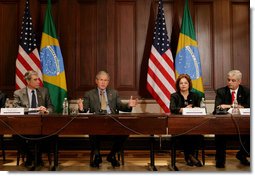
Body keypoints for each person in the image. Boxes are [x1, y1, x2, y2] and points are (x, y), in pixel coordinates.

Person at [78, 70, 137, 168]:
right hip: (96, 124)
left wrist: (129, 105)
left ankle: (112, 155)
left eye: (105, 80)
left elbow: (121, 106)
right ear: (96, 81)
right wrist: (81, 108)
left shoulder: (114, 93)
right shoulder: (89, 94)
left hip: (112, 124)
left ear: (108, 82)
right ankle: (97, 156)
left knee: (126, 131)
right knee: (91, 128)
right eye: (101, 80)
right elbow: (84, 110)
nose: (103, 82)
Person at [13, 70, 54, 168]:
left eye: (38, 79)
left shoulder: (44, 91)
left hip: (41, 124)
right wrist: (33, 109)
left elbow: (51, 106)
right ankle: (31, 157)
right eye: (35, 80)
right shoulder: (18, 93)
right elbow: (16, 108)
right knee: (15, 135)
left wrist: (47, 110)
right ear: (28, 81)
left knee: (47, 135)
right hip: (25, 124)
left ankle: (36, 158)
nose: (38, 81)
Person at [213, 70, 250, 168]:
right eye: (228, 80)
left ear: (239, 81)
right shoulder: (221, 91)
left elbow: (250, 106)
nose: (230, 82)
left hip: (242, 123)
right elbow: (217, 108)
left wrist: (227, 106)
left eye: (233, 80)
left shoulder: (246, 91)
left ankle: (242, 154)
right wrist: (233, 106)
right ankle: (220, 160)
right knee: (219, 133)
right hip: (224, 123)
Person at [170, 74, 203, 167]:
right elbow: (172, 108)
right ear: (178, 85)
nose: (183, 85)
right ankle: (191, 157)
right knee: (186, 134)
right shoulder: (174, 96)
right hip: (178, 125)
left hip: (193, 124)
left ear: (189, 84)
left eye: (185, 83)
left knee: (196, 135)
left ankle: (189, 157)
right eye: (181, 83)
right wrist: (184, 109)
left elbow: (200, 109)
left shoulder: (196, 96)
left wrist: (194, 109)